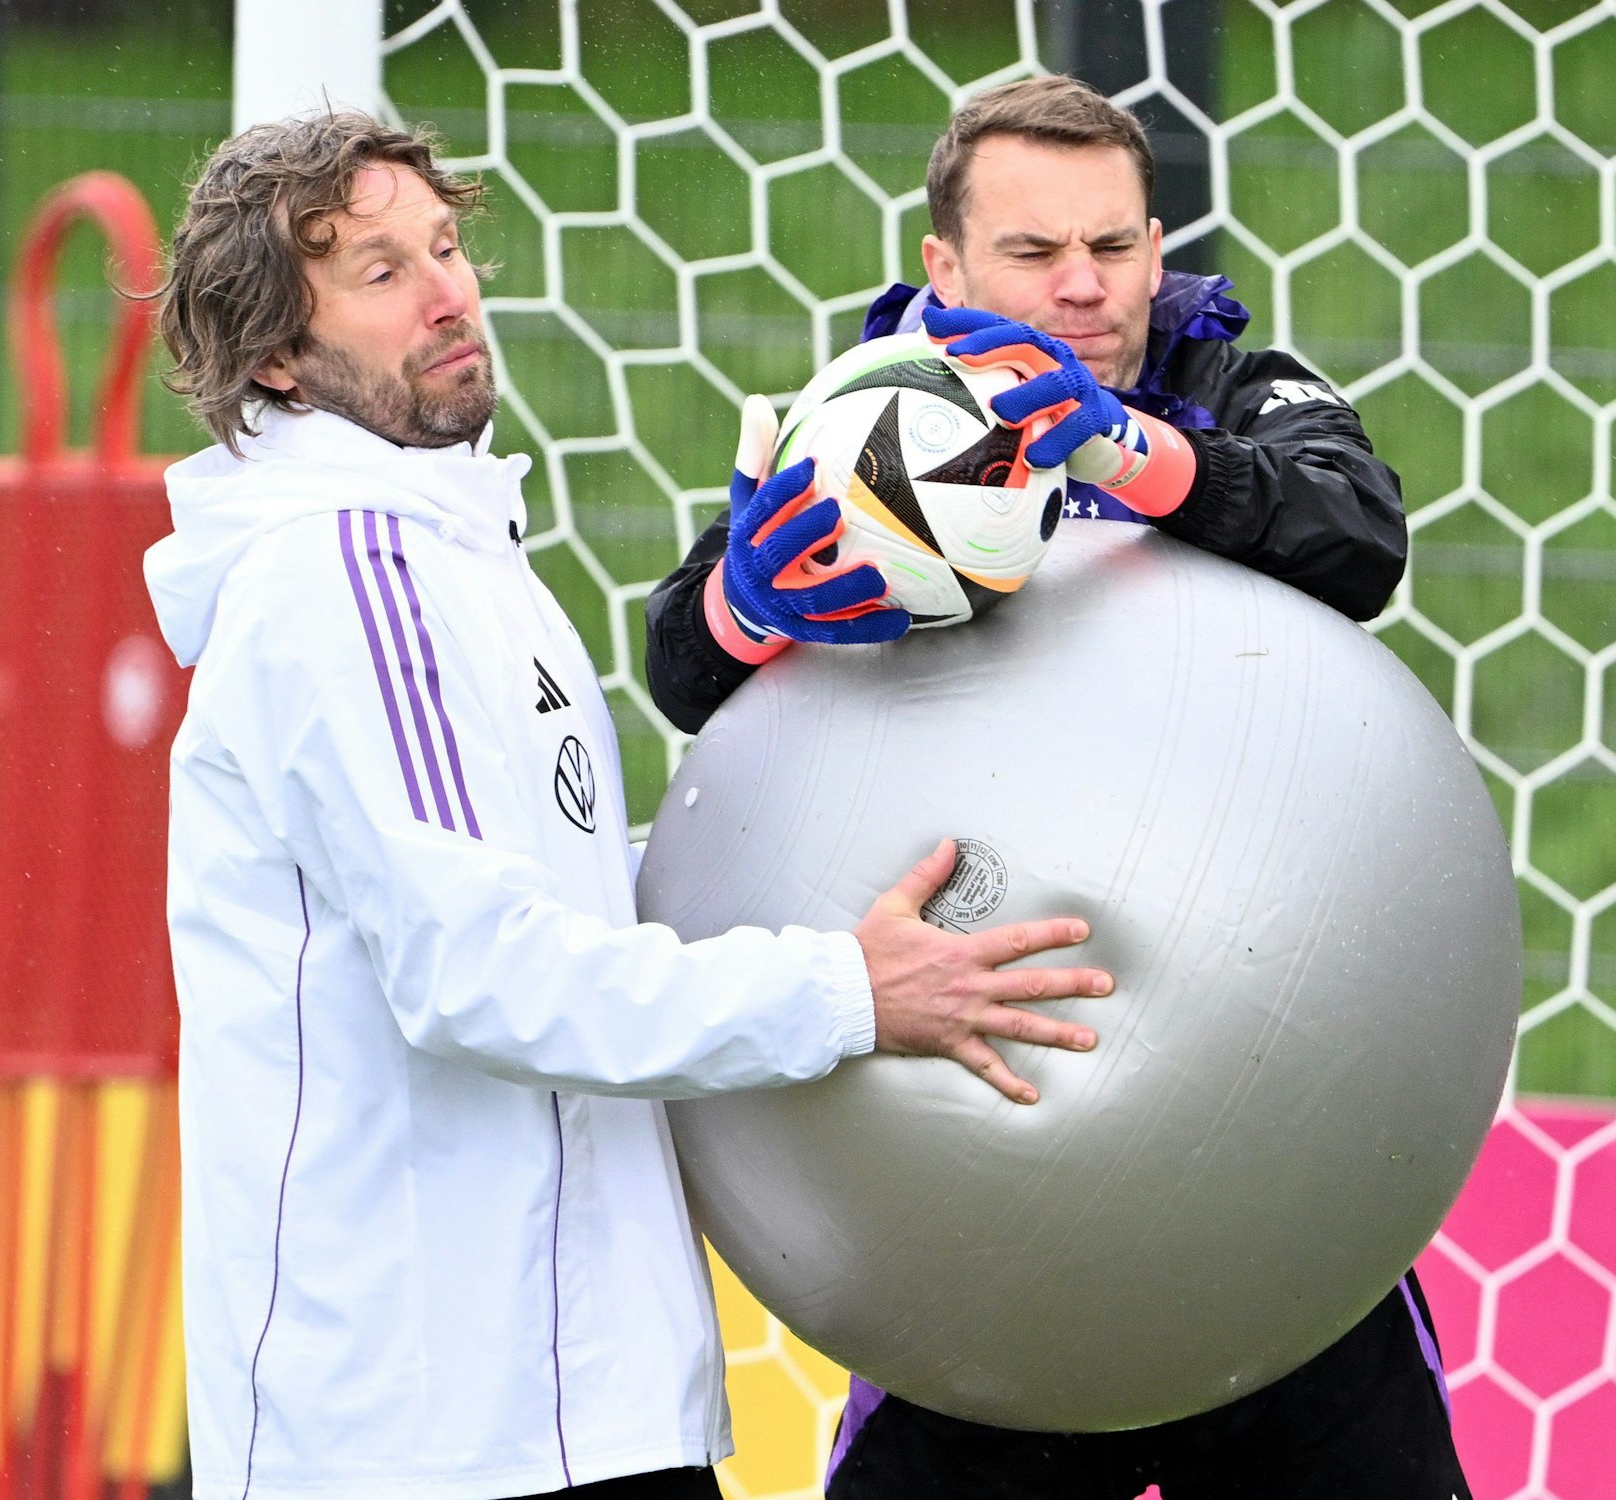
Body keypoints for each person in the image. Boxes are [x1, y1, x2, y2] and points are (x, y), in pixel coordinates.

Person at [143, 111, 1115, 1500]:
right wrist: (846, 989)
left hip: (573, 1407)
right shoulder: (342, 581)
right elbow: (476, 976)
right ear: (277, 354)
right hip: (424, 1435)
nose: (446, 292)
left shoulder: (462, 553)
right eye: (377, 272)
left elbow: (573, 898)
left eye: (444, 246)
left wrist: (832, 860)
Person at [643, 77, 1466, 1500]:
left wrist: (1126, 453)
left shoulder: (1227, 384)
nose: (1086, 287)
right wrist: (743, 605)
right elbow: (688, 675)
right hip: (973, 1211)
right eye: (1034, 254)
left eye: (1116, 245)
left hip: (1274, 1181)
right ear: (943, 271)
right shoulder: (860, 433)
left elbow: (1359, 535)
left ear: (1159, 246)